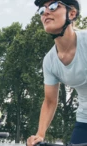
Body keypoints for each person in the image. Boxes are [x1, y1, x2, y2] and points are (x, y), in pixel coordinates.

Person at [27, 0, 87, 145]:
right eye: (42, 9)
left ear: (72, 14)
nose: (46, 12)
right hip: (84, 120)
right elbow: (49, 101)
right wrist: (40, 135)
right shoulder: (49, 61)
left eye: (53, 6)